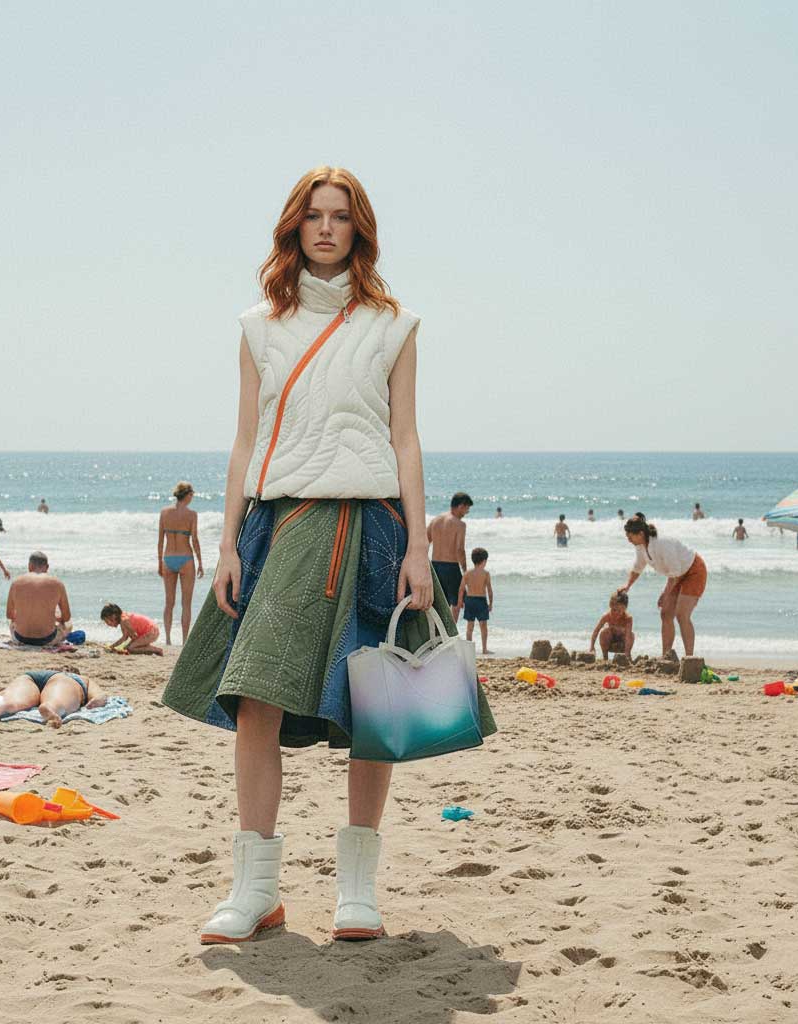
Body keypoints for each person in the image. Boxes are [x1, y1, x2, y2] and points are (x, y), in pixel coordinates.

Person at [161, 166, 496, 947]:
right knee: (253, 700)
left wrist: (419, 546)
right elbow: (246, 440)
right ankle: (256, 892)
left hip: (376, 528)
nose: (324, 228)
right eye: (312, 215)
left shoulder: (395, 325)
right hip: (283, 524)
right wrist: (225, 545)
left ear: (359, 229)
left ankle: (357, 892)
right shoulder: (257, 326)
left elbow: (405, 437)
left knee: (377, 708)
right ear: (293, 226)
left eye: (339, 217)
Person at [619, 513, 707, 659]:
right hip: (676, 574)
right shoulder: (641, 546)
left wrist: (666, 593)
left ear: (640, 533)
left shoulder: (662, 543)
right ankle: (666, 656)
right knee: (665, 613)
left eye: (630, 536)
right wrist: (627, 586)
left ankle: (690, 658)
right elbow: (638, 567)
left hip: (694, 570)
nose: (628, 539)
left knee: (681, 615)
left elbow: (676, 571)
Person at [158, 481, 204, 645]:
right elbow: (195, 540)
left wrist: (159, 562)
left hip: (168, 558)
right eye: (192, 495)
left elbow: (160, 541)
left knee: (169, 602)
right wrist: (200, 561)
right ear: (188, 495)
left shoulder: (164, 513)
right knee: (186, 603)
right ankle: (184, 641)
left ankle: (168, 640)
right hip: (186, 559)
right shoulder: (192, 515)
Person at [0, 670, 106, 729]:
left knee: (15, 701)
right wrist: (95, 701)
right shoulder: (83, 678)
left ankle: (1, 706)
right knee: (57, 701)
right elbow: (100, 696)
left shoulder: (51, 672)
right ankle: (50, 708)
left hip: (30, 676)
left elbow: (3, 690)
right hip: (63, 681)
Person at [6, 551, 71, 646]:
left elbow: (9, 615)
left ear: (29, 566)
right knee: (69, 624)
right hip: (47, 639)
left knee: (12, 621)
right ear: (47, 567)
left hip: (21, 638)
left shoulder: (16, 583)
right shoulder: (57, 583)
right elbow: (66, 617)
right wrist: (56, 618)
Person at [428, 492, 473, 615]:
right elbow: (460, 549)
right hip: (451, 567)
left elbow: (426, 541)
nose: (466, 513)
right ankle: (451, 631)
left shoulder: (436, 520)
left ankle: (438, 631)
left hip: (435, 565)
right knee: (458, 602)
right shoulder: (460, 524)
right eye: (467, 509)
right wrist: (464, 570)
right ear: (461, 506)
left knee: (440, 602)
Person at [455, 547, 493, 655]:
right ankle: (484, 649)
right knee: (483, 627)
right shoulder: (486, 574)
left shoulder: (467, 573)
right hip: (481, 601)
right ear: (484, 561)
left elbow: (461, 589)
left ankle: (469, 651)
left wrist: (459, 602)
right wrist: (491, 603)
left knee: (469, 627)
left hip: (470, 600)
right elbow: (489, 590)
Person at [589, 591, 634, 661]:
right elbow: (596, 630)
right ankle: (605, 657)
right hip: (610, 644)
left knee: (631, 635)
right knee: (604, 632)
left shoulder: (628, 618)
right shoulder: (607, 616)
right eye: (614, 610)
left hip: (622, 645)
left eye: (619, 611)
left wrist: (627, 652)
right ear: (610, 606)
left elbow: (628, 637)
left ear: (625, 609)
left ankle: (627, 656)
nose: (616, 613)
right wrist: (592, 646)